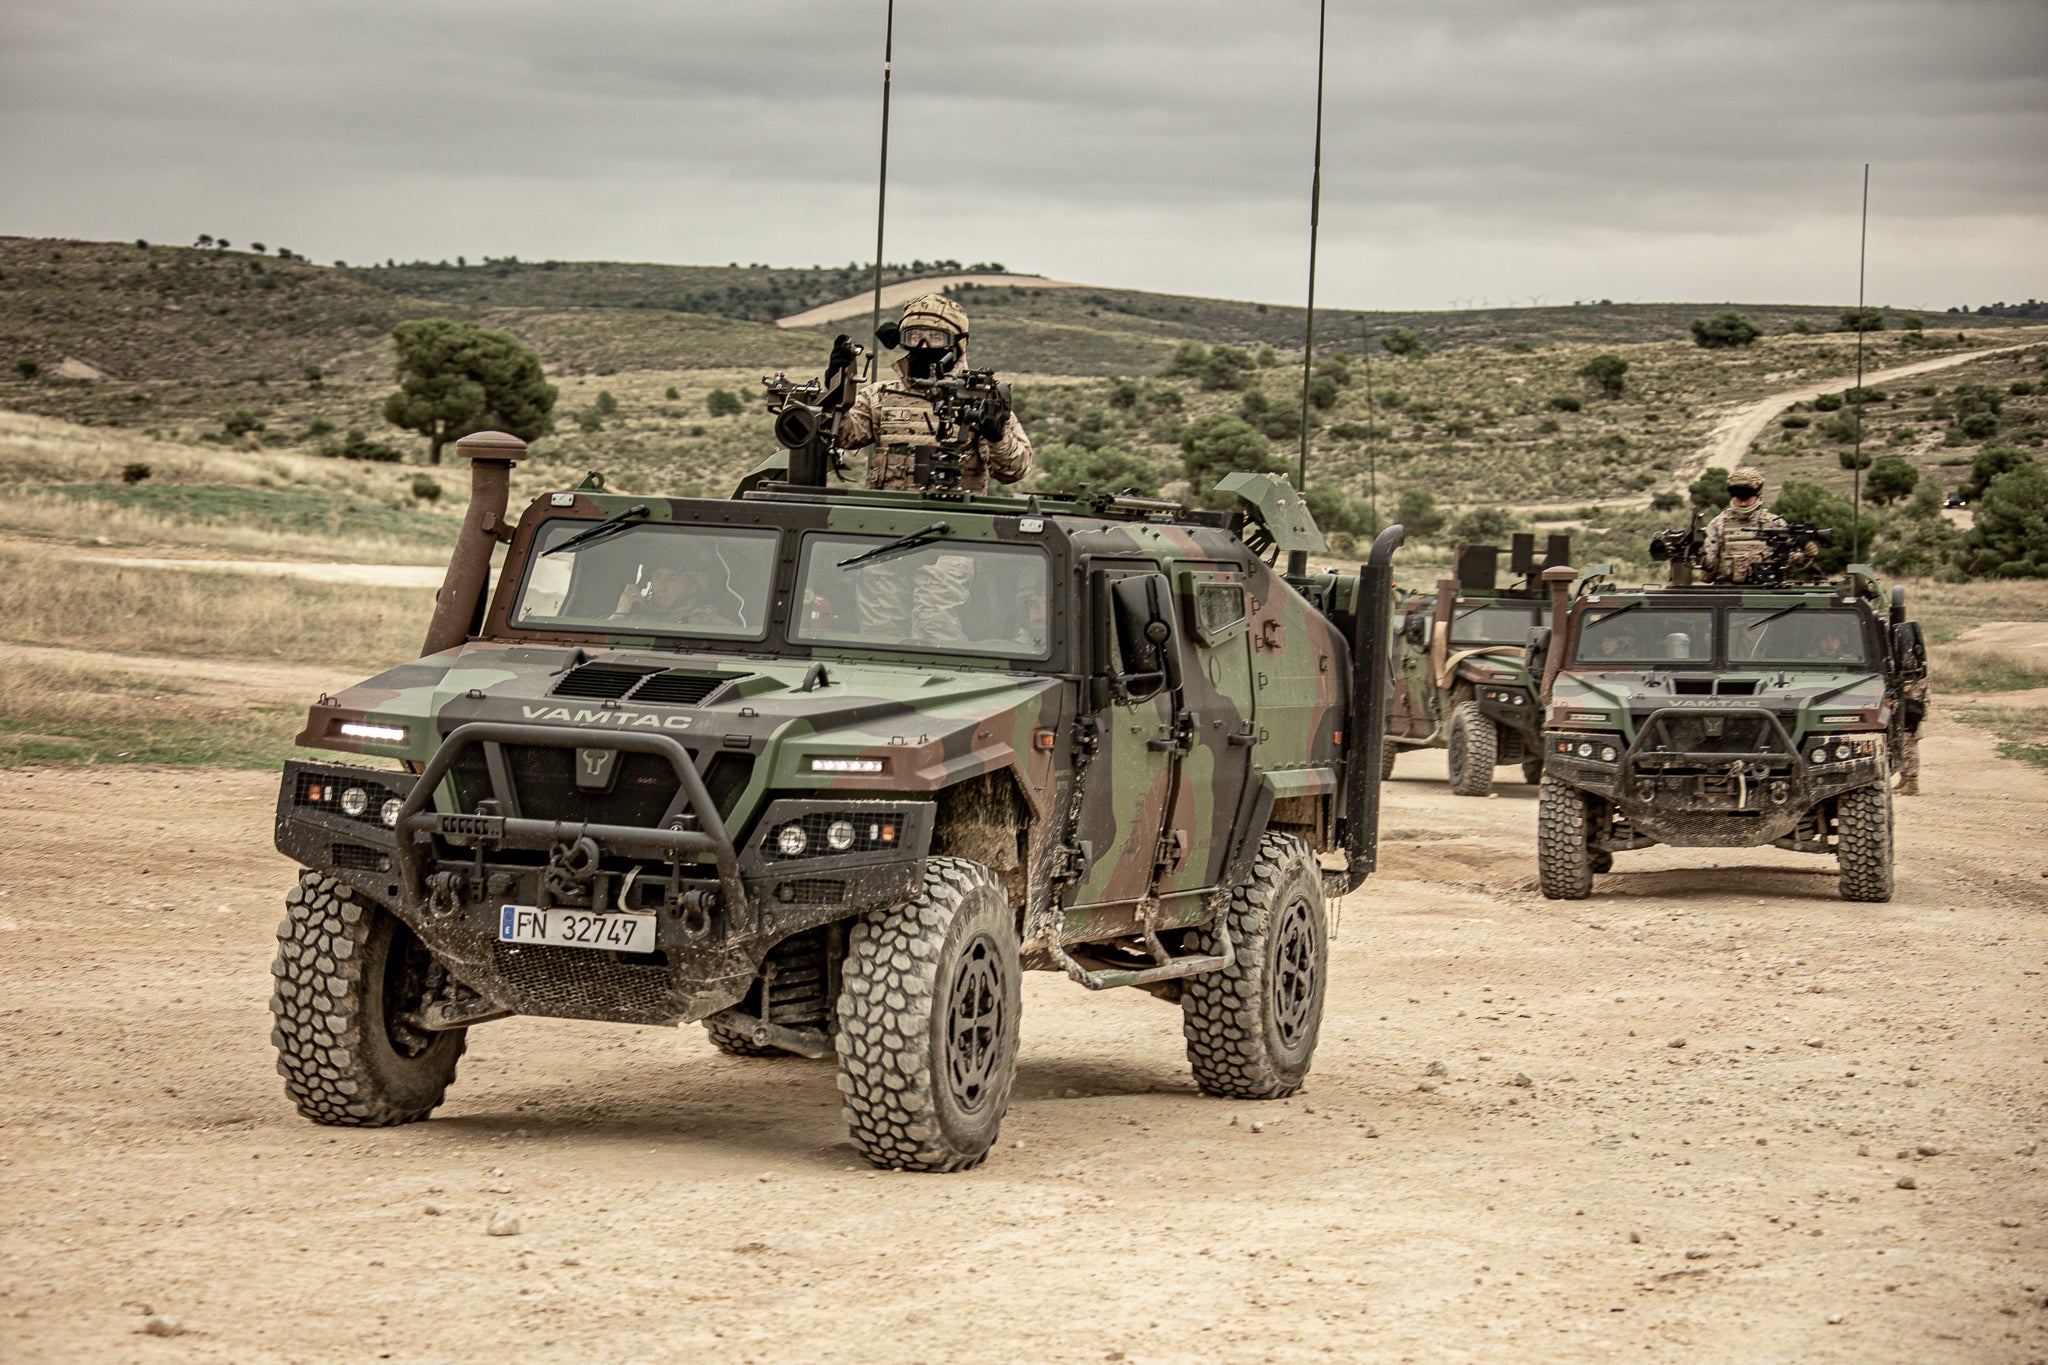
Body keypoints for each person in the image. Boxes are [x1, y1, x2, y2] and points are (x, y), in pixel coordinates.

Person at [834, 293, 1034, 495]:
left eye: (935, 338)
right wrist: (836, 389)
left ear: (957, 345)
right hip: (886, 517)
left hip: (955, 519)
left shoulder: (978, 398)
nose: (923, 346)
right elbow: (843, 438)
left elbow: (1015, 470)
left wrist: (997, 436)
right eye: (915, 337)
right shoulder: (880, 396)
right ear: (903, 342)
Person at [1700, 467, 1813, 584]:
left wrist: (1806, 555)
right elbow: (1709, 565)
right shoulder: (1718, 524)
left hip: (1768, 592)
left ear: (1758, 495)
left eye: (1747, 498)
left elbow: (1791, 559)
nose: (1743, 503)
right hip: (1728, 592)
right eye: (1739, 498)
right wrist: (1698, 553)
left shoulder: (1775, 523)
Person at [1895, 671, 1929, 796]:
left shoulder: (1916, 665)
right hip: (1905, 706)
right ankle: (1904, 779)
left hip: (1911, 709)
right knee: (1901, 746)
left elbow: (1912, 688)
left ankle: (1912, 783)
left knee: (1909, 747)